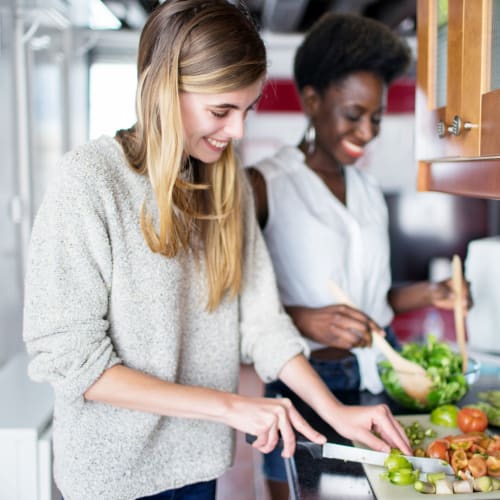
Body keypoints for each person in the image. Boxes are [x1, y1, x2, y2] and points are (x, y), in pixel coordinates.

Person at [23, 2, 412, 500]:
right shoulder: (90, 181)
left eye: (246, 110)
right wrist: (230, 407)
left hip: (198, 464)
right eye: (221, 111)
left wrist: (335, 411)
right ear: (164, 89)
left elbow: (262, 322)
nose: (238, 133)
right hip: (112, 476)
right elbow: (74, 360)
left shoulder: (228, 188)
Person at [247, 12, 471, 500]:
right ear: (311, 100)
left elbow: (373, 297)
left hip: (375, 376)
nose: (368, 132)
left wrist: (434, 294)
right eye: (354, 114)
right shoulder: (264, 185)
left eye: (376, 116)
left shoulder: (368, 190)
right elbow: (232, 309)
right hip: (303, 388)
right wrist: (304, 318)